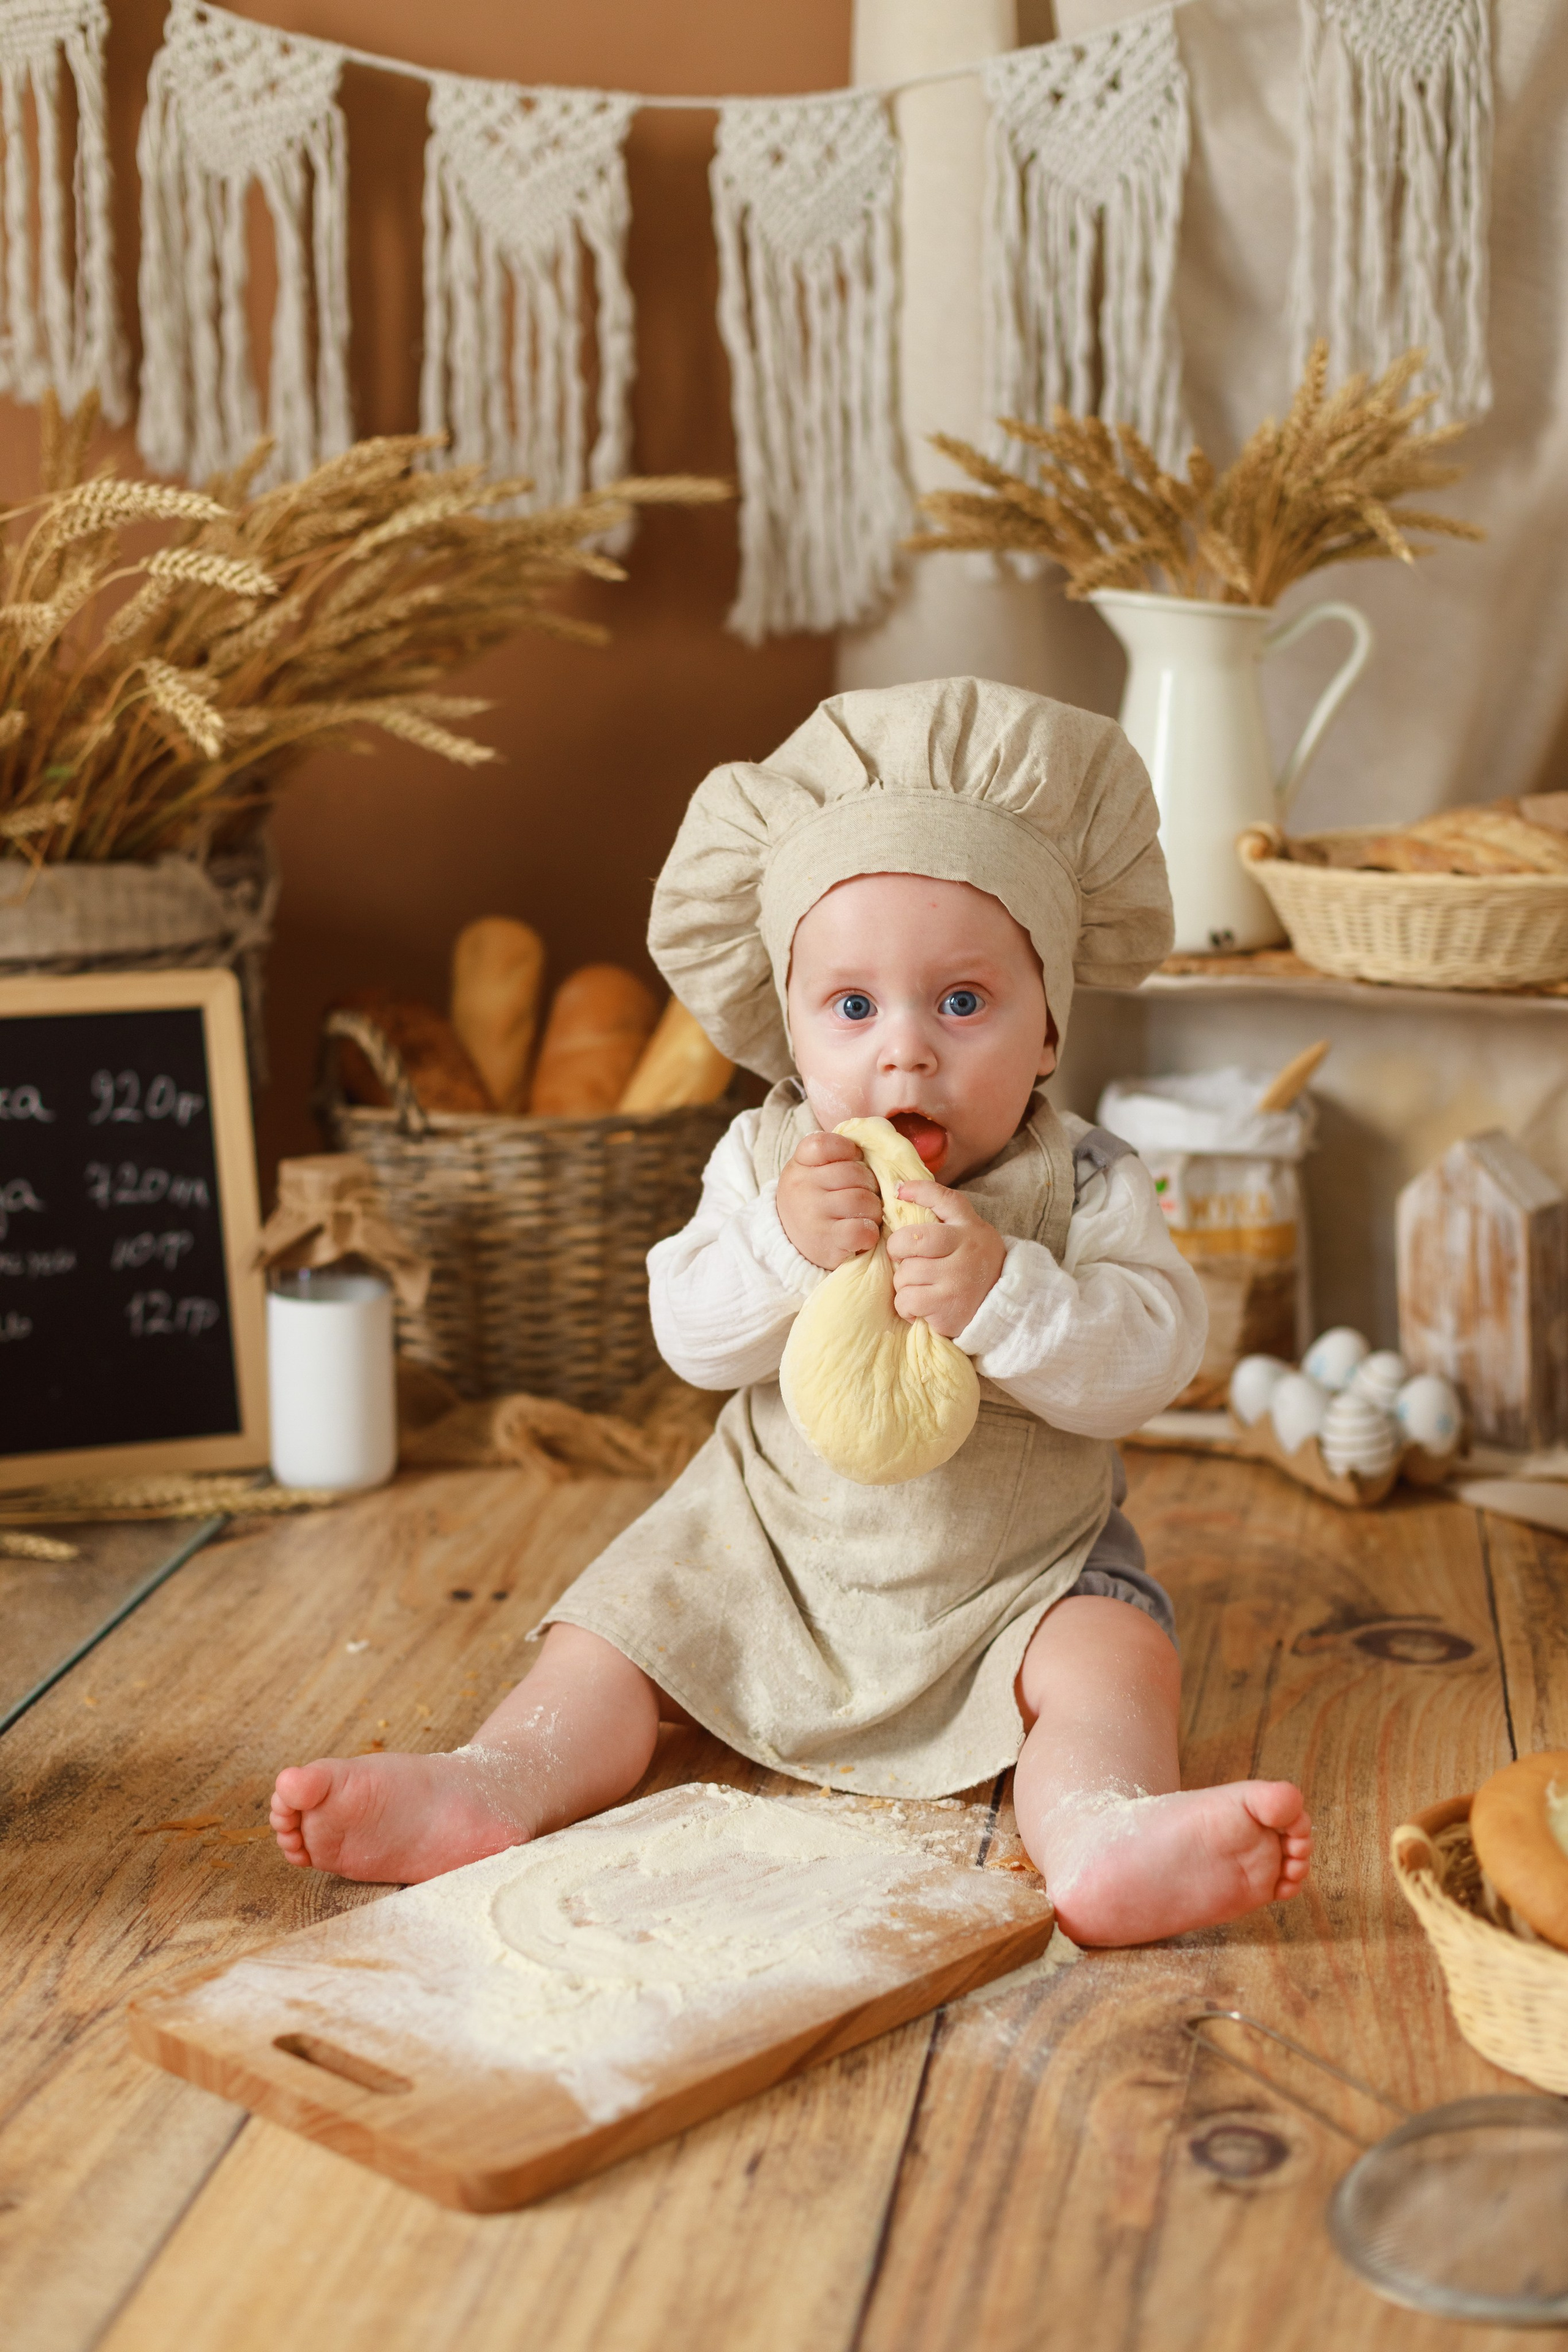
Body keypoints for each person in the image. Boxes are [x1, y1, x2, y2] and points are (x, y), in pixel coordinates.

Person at [271, 678, 1313, 1944]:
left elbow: (1151, 1359)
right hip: (768, 1543)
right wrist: (777, 1250)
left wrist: (1008, 1298)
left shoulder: (1086, 1176)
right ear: (789, 1033)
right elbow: (689, 1338)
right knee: (619, 1626)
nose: (905, 1053)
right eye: (853, 1007)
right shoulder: (764, 1167)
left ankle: (1098, 1824)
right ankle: (498, 1781)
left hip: (1019, 1568)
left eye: (963, 1003)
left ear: (1049, 1028)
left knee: (1111, 1661)